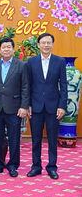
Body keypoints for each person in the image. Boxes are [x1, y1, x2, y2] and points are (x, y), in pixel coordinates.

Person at [26, 33, 67, 180]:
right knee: (36, 139)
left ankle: (52, 167)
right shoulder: (31, 62)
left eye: (49, 42)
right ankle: (36, 166)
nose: (46, 45)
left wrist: (62, 106)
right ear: (38, 45)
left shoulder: (59, 61)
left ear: (52, 44)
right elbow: (28, 85)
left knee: (51, 139)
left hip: (53, 106)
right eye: (43, 42)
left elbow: (63, 85)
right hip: (35, 107)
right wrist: (28, 104)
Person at [0, 37, 29, 177]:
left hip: (14, 108)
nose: (6, 49)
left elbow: (25, 87)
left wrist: (24, 106)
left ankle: (13, 165)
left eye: (9, 47)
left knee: (14, 139)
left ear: (13, 49)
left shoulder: (21, 65)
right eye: (3, 47)